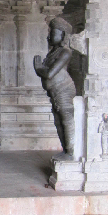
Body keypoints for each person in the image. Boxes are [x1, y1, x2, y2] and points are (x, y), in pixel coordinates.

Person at [33, 17, 76, 158]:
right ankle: (65, 150)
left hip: (63, 89)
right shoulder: (53, 52)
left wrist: (38, 68)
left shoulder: (65, 52)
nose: (49, 36)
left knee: (66, 119)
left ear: (62, 35)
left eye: (52, 33)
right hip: (54, 91)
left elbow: (50, 74)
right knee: (58, 121)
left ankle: (71, 151)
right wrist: (41, 69)